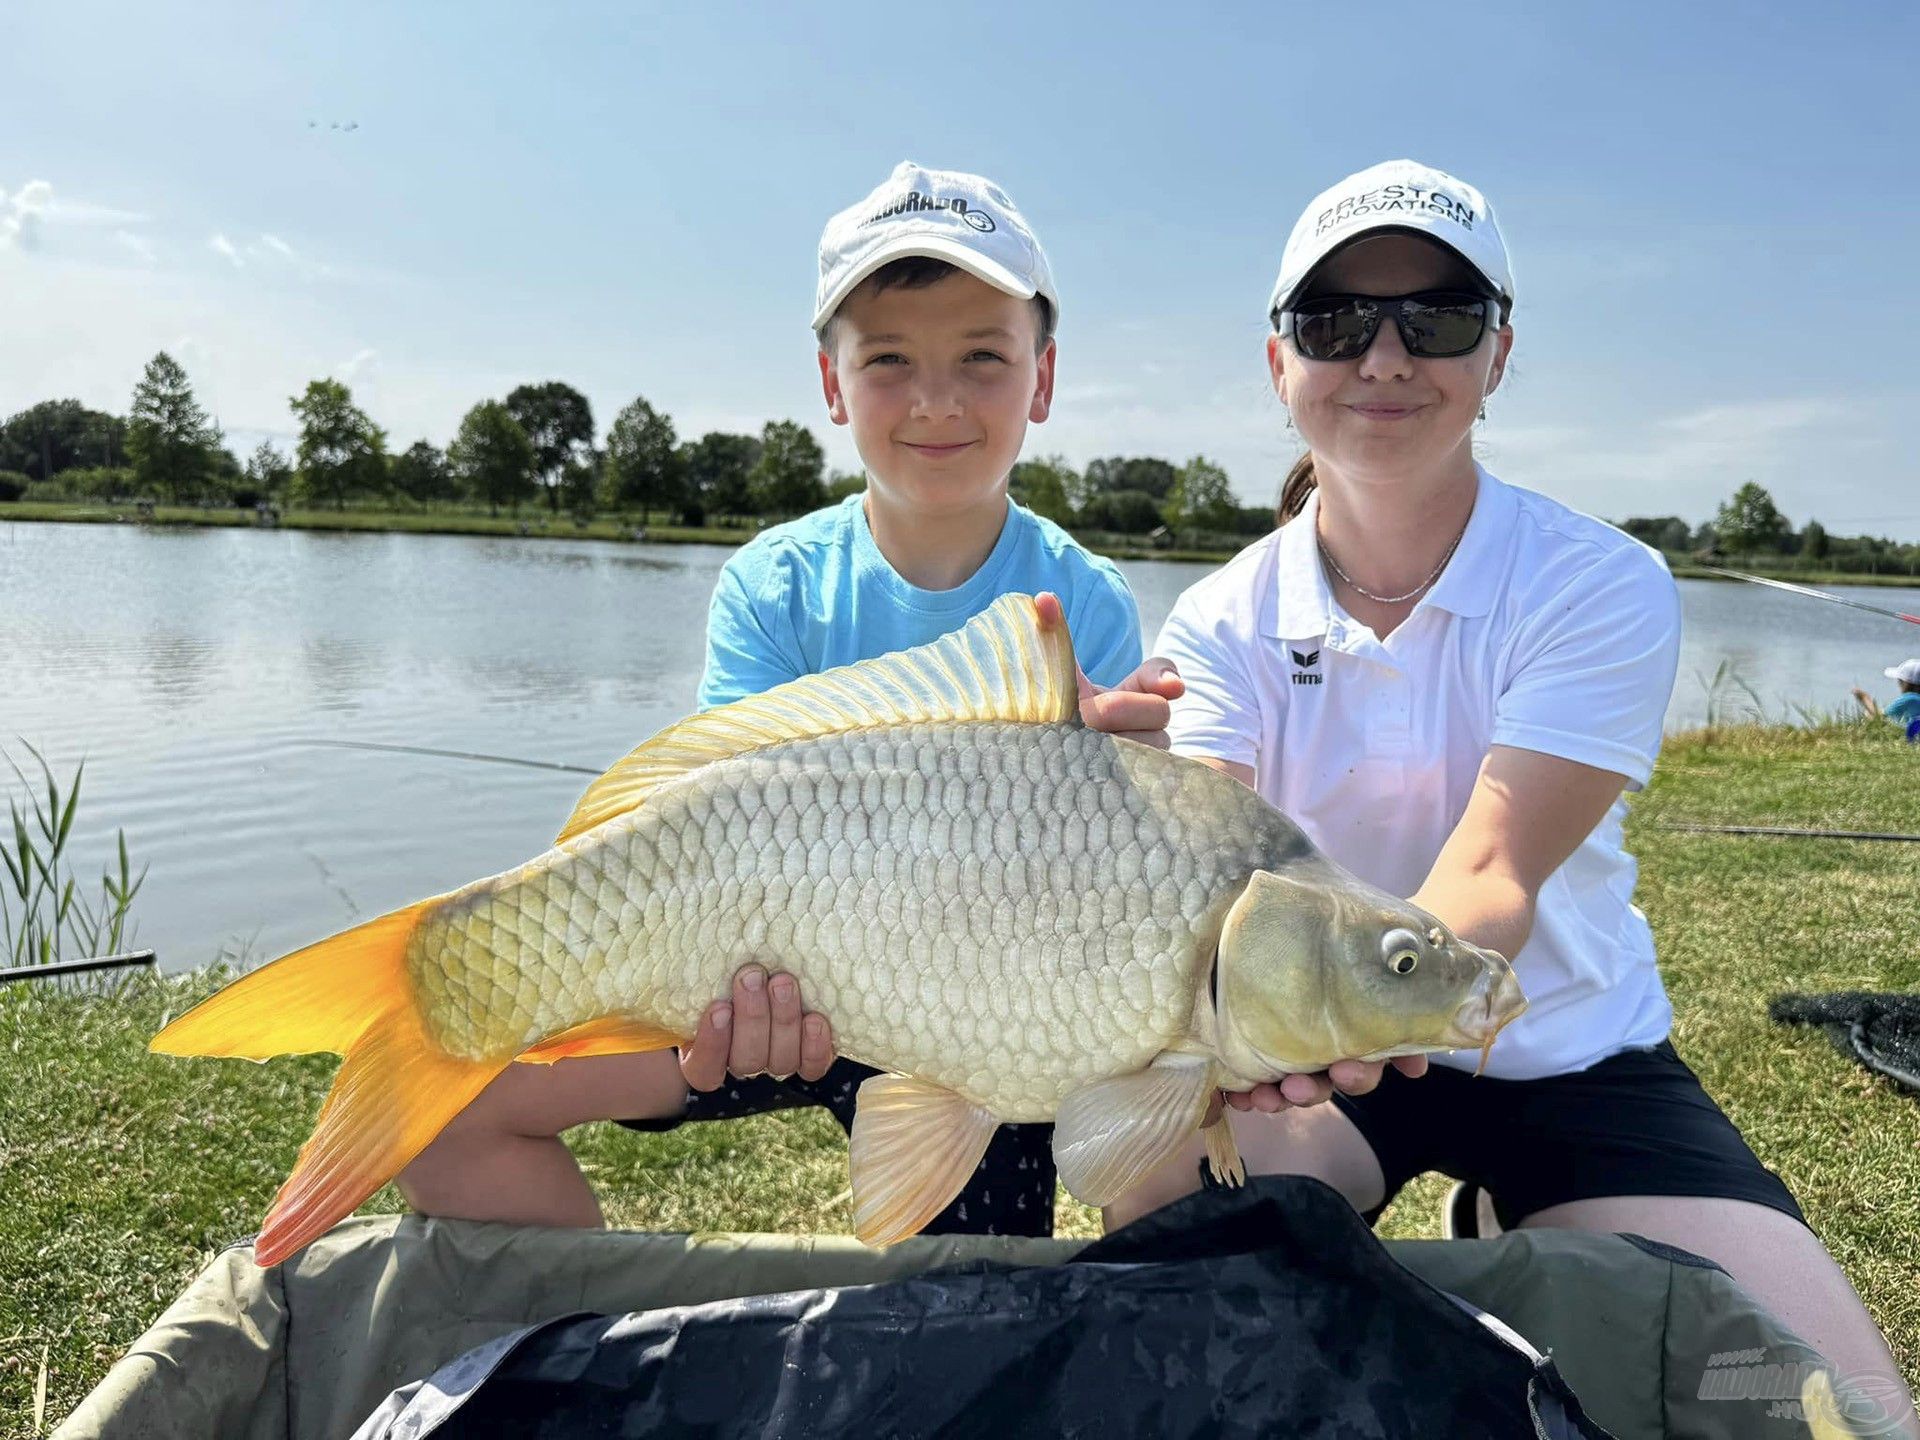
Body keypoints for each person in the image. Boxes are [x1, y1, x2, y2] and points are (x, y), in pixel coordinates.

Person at [1109, 159, 1913, 1426]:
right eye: (1334, 321)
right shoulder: (1218, 617)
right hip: (1332, 1059)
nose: (1383, 355)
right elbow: (1212, 861)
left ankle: (1515, 1203)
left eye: (1436, 317)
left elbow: (1493, 874)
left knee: (1841, 1404)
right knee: (1159, 1229)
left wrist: (1345, 1013)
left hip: (1563, 1046)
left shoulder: (1601, 581)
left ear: (1497, 357)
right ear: (1280, 367)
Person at [398, 161, 1182, 1239]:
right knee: (443, 1117)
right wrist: (714, 990)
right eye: (890, 360)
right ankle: (603, 1368)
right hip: (774, 997)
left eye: (983, 360)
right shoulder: (773, 584)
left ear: (1042, 381)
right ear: (832, 384)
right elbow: (711, 815)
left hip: (984, 1015)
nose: (937, 400)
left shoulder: (1082, 599)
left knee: (980, 1300)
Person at [1852, 659, 1920, 738]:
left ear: (1906, 683)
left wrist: (1864, 698)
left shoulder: (1910, 698)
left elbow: (1879, 717)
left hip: (1913, 737)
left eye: (1900, 681)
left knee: (1869, 716)